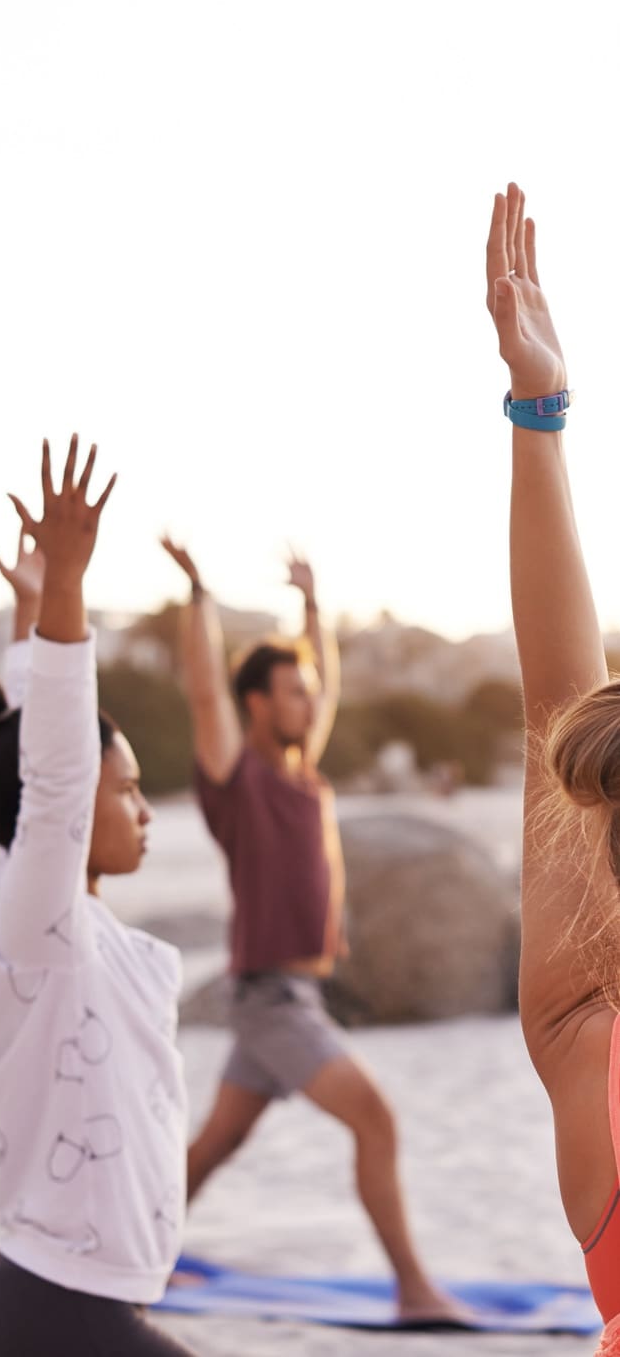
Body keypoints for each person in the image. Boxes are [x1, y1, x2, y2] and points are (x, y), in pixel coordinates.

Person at [162, 536, 460, 1324]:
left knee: (214, 1147)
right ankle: (414, 1291)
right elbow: (202, 696)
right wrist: (197, 596)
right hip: (269, 998)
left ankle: (140, 1254)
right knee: (375, 1117)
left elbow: (324, 688)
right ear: (257, 703)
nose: (306, 701)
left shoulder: (301, 773)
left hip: (291, 992)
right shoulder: (239, 777)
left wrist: (313, 607)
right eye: (290, 692)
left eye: (305, 691)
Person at [0, 438, 197, 1356]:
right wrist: (63, 595)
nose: (142, 808)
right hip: (52, 1306)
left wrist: (23, 609)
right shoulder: (37, 926)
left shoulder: (40, 916)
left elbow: (24, 758)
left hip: (34, 1298)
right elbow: (47, 773)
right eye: (123, 790)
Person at [487, 182, 620, 1354]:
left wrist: (542, 415)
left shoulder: (585, 1031)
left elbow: (556, 716)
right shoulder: (590, 1031)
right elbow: (561, 718)